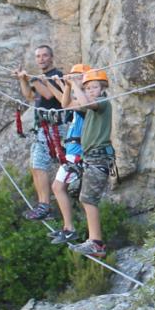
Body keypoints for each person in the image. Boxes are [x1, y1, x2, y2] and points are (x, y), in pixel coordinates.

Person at [53, 68, 115, 259]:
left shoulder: (103, 102)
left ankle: (96, 243)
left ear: (103, 88)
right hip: (91, 158)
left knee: (88, 199)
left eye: (94, 87)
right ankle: (94, 241)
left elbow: (89, 103)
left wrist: (79, 87)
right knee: (83, 197)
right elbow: (66, 104)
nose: (90, 91)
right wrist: (69, 86)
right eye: (88, 88)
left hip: (98, 158)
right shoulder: (89, 105)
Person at [13, 44, 72, 221]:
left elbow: (48, 95)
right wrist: (23, 80)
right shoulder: (38, 78)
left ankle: (45, 206)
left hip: (54, 126)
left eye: (44, 56)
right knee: (35, 165)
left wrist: (33, 80)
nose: (41, 59)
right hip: (43, 127)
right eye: (38, 56)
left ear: (51, 57)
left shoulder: (56, 76)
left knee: (40, 164)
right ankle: (43, 205)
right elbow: (30, 97)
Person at [49, 64, 90, 245]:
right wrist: (64, 85)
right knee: (59, 188)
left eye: (77, 76)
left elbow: (72, 104)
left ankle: (69, 228)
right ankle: (68, 227)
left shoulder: (87, 101)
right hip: (72, 153)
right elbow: (64, 103)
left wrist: (68, 84)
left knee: (58, 188)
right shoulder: (79, 101)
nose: (73, 79)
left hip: (77, 154)